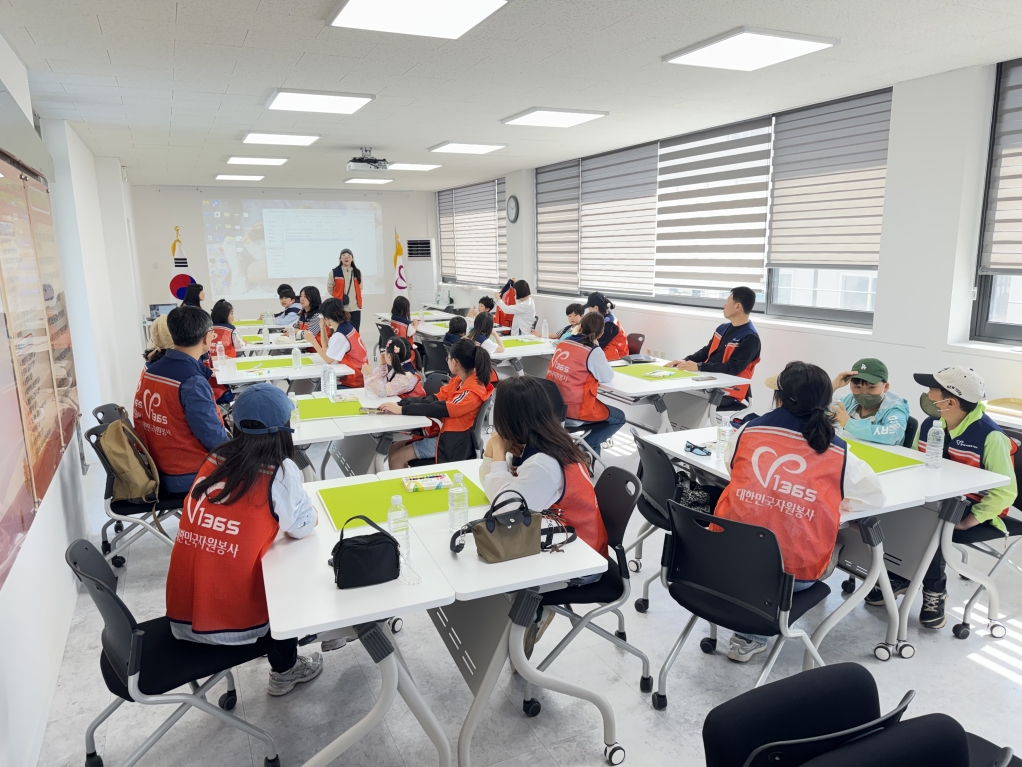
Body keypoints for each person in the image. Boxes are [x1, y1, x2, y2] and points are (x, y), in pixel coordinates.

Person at [715, 361, 885, 663]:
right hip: (795, 575)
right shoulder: (839, 453)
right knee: (832, 539)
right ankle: (755, 631)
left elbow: (732, 470)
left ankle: (750, 631)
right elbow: (874, 498)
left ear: (778, 397)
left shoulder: (748, 432)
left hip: (724, 560)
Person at [165, 384, 323, 696]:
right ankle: (286, 669)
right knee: (290, 571)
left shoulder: (215, 458)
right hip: (229, 621)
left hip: (183, 612)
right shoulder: (280, 472)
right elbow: (302, 527)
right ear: (285, 430)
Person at [864, 366, 1018, 629]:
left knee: (931, 522)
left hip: (975, 504)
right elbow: (914, 463)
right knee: (895, 510)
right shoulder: (930, 425)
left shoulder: (991, 437)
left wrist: (971, 520)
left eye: (932, 390)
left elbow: (1006, 492)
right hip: (936, 497)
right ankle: (900, 575)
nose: (927, 395)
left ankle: (934, 590)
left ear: (951, 402)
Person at [482, 376, 608, 557]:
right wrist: (491, 451)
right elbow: (491, 486)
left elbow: (506, 512)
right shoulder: (548, 438)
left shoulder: (542, 463)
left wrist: (498, 452)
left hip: (580, 553)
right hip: (566, 536)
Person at [133, 306, 229, 493]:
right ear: (206, 337)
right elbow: (214, 438)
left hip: (156, 465)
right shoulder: (192, 382)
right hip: (188, 472)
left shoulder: (151, 370)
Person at [381, 338, 493, 467]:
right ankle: (408, 478)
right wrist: (402, 403)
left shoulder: (472, 391)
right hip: (445, 435)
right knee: (393, 448)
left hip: (453, 445)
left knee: (396, 458)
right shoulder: (459, 380)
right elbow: (434, 399)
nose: (447, 361)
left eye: (448, 358)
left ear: (455, 362)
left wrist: (402, 410)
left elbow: (440, 408)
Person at [666, 286, 761, 410]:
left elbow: (732, 368)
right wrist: (685, 361)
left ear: (737, 307)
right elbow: (706, 351)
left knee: (680, 396)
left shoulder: (750, 338)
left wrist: (699, 367)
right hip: (709, 382)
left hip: (727, 390)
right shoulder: (722, 328)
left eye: (727, 301)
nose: (724, 305)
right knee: (671, 389)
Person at [546, 313, 626, 456]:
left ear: (580, 326)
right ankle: (582, 447)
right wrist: (597, 346)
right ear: (601, 334)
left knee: (600, 418)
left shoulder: (563, 343)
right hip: (576, 411)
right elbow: (606, 377)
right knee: (619, 418)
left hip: (552, 408)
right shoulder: (593, 351)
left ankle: (587, 456)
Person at [830, 358, 910, 445]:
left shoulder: (895, 408)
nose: (864, 392)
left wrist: (849, 423)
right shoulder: (850, 400)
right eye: (857, 387)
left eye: (871, 387)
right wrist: (832, 387)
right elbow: (821, 413)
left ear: (886, 387)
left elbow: (893, 435)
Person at [306, 297, 367, 388]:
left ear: (327, 318)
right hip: (358, 374)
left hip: (354, 380)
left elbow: (328, 360)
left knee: (322, 387)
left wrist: (313, 341)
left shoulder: (340, 335)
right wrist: (322, 328)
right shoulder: (346, 326)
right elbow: (327, 350)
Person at [207, 299, 247, 403]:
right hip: (228, 365)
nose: (233, 317)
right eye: (232, 313)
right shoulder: (231, 329)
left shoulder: (208, 328)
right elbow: (240, 346)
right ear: (225, 315)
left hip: (208, 366)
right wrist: (244, 343)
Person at [584, 292, 628, 361]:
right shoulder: (602, 318)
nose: (589, 311)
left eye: (589, 308)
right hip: (608, 352)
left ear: (596, 308)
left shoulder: (610, 323)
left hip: (617, 356)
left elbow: (598, 344)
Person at [327, 248, 363, 331]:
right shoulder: (334, 272)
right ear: (340, 259)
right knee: (342, 331)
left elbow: (361, 288)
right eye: (343, 255)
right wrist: (337, 295)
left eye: (349, 255)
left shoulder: (357, 272)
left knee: (355, 331)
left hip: (355, 308)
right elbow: (330, 288)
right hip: (341, 308)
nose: (346, 257)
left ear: (352, 259)